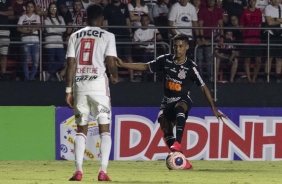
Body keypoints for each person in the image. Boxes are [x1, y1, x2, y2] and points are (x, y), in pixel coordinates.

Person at [116, 34, 227, 169]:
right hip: (167, 101)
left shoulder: (191, 67)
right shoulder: (165, 60)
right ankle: (180, 158)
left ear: (186, 47)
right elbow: (145, 66)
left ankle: (178, 143)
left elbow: (203, 87)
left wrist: (213, 108)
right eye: (175, 46)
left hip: (183, 99)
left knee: (180, 107)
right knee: (165, 125)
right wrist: (123, 64)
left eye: (180, 46)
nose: (177, 49)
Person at [65, 4, 119, 181]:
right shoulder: (108, 36)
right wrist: (114, 76)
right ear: (102, 18)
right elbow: (111, 60)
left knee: (81, 129)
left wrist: (68, 90)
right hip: (99, 87)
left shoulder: (74, 36)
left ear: (85, 18)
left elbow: (70, 65)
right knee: (105, 130)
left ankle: (78, 170)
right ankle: (103, 171)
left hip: (80, 86)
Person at [103, 0, 136, 82]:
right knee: (114, 57)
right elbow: (105, 22)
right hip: (113, 36)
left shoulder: (124, 6)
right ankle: (115, 77)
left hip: (125, 35)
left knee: (128, 56)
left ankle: (132, 77)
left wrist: (130, 31)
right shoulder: (107, 7)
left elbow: (127, 20)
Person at [17, 1, 41, 81]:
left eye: (31, 7)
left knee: (36, 62)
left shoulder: (37, 17)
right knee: (26, 61)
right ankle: (27, 78)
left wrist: (27, 29)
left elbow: (38, 26)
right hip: (25, 41)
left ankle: (31, 78)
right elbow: (18, 28)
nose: (30, 8)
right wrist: (29, 30)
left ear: (34, 8)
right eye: (28, 7)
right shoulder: (22, 17)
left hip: (35, 41)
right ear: (26, 8)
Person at [240, 0, 262, 83]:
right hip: (247, 39)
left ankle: (254, 78)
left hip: (256, 39)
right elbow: (241, 25)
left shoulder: (258, 12)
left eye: (254, 1)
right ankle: (249, 78)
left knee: (258, 60)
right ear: (249, 2)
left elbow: (259, 25)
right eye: (251, 1)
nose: (252, 2)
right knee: (247, 60)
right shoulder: (245, 12)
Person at [44, 2, 66, 81]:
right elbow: (49, 30)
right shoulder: (46, 19)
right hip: (50, 43)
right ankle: (51, 78)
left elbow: (64, 29)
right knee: (51, 61)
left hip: (59, 43)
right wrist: (58, 28)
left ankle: (49, 73)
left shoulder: (60, 18)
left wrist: (54, 28)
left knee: (62, 61)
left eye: (55, 8)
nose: (53, 10)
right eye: (51, 8)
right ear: (49, 9)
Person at [264, 0, 282, 83]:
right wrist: (279, 20)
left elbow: (272, 21)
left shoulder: (281, 7)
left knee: (279, 58)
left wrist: (274, 19)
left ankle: (278, 76)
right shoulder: (268, 8)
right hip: (271, 35)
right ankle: (267, 76)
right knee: (269, 57)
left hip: (280, 35)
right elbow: (269, 22)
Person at [0, 0, 13, 81]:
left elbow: (11, 12)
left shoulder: (8, 1)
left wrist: (1, 13)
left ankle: (3, 73)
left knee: (4, 53)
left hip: (4, 29)